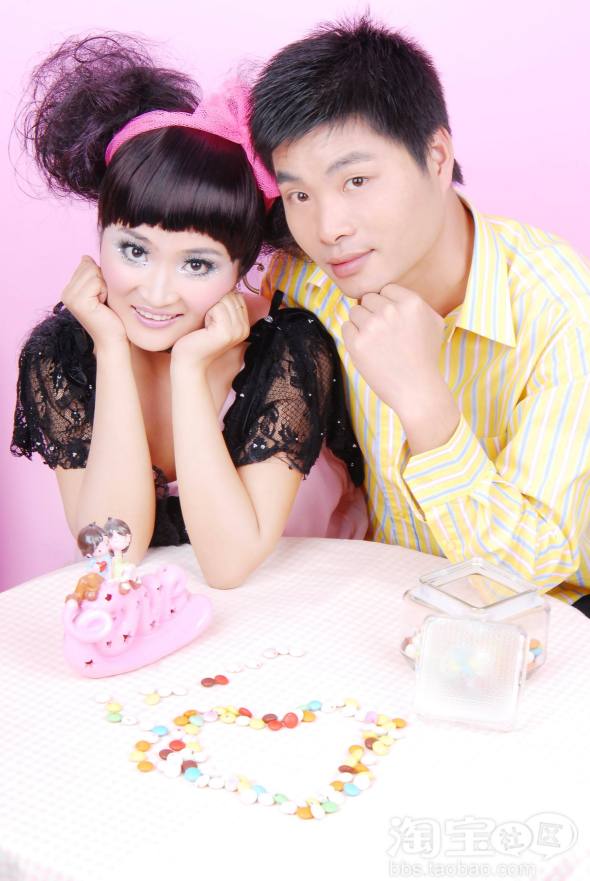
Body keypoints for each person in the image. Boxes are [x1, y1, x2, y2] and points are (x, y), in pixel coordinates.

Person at [249, 15, 590, 611]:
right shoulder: (306, 281)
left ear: (436, 156)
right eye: (299, 194)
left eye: (356, 180)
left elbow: (530, 573)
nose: (328, 228)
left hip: (542, 622)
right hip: (386, 601)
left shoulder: (557, 306)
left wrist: (423, 401)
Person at [11, 34, 366, 590]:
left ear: (241, 266)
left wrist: (188, 370)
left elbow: (229, 565)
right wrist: (110, 348)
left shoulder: (288, 349)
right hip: (154, 614)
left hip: (306, 601)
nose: (157, 293)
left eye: (197, 265)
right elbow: (113, 553)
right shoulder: (65, 351)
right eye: (134, 251)